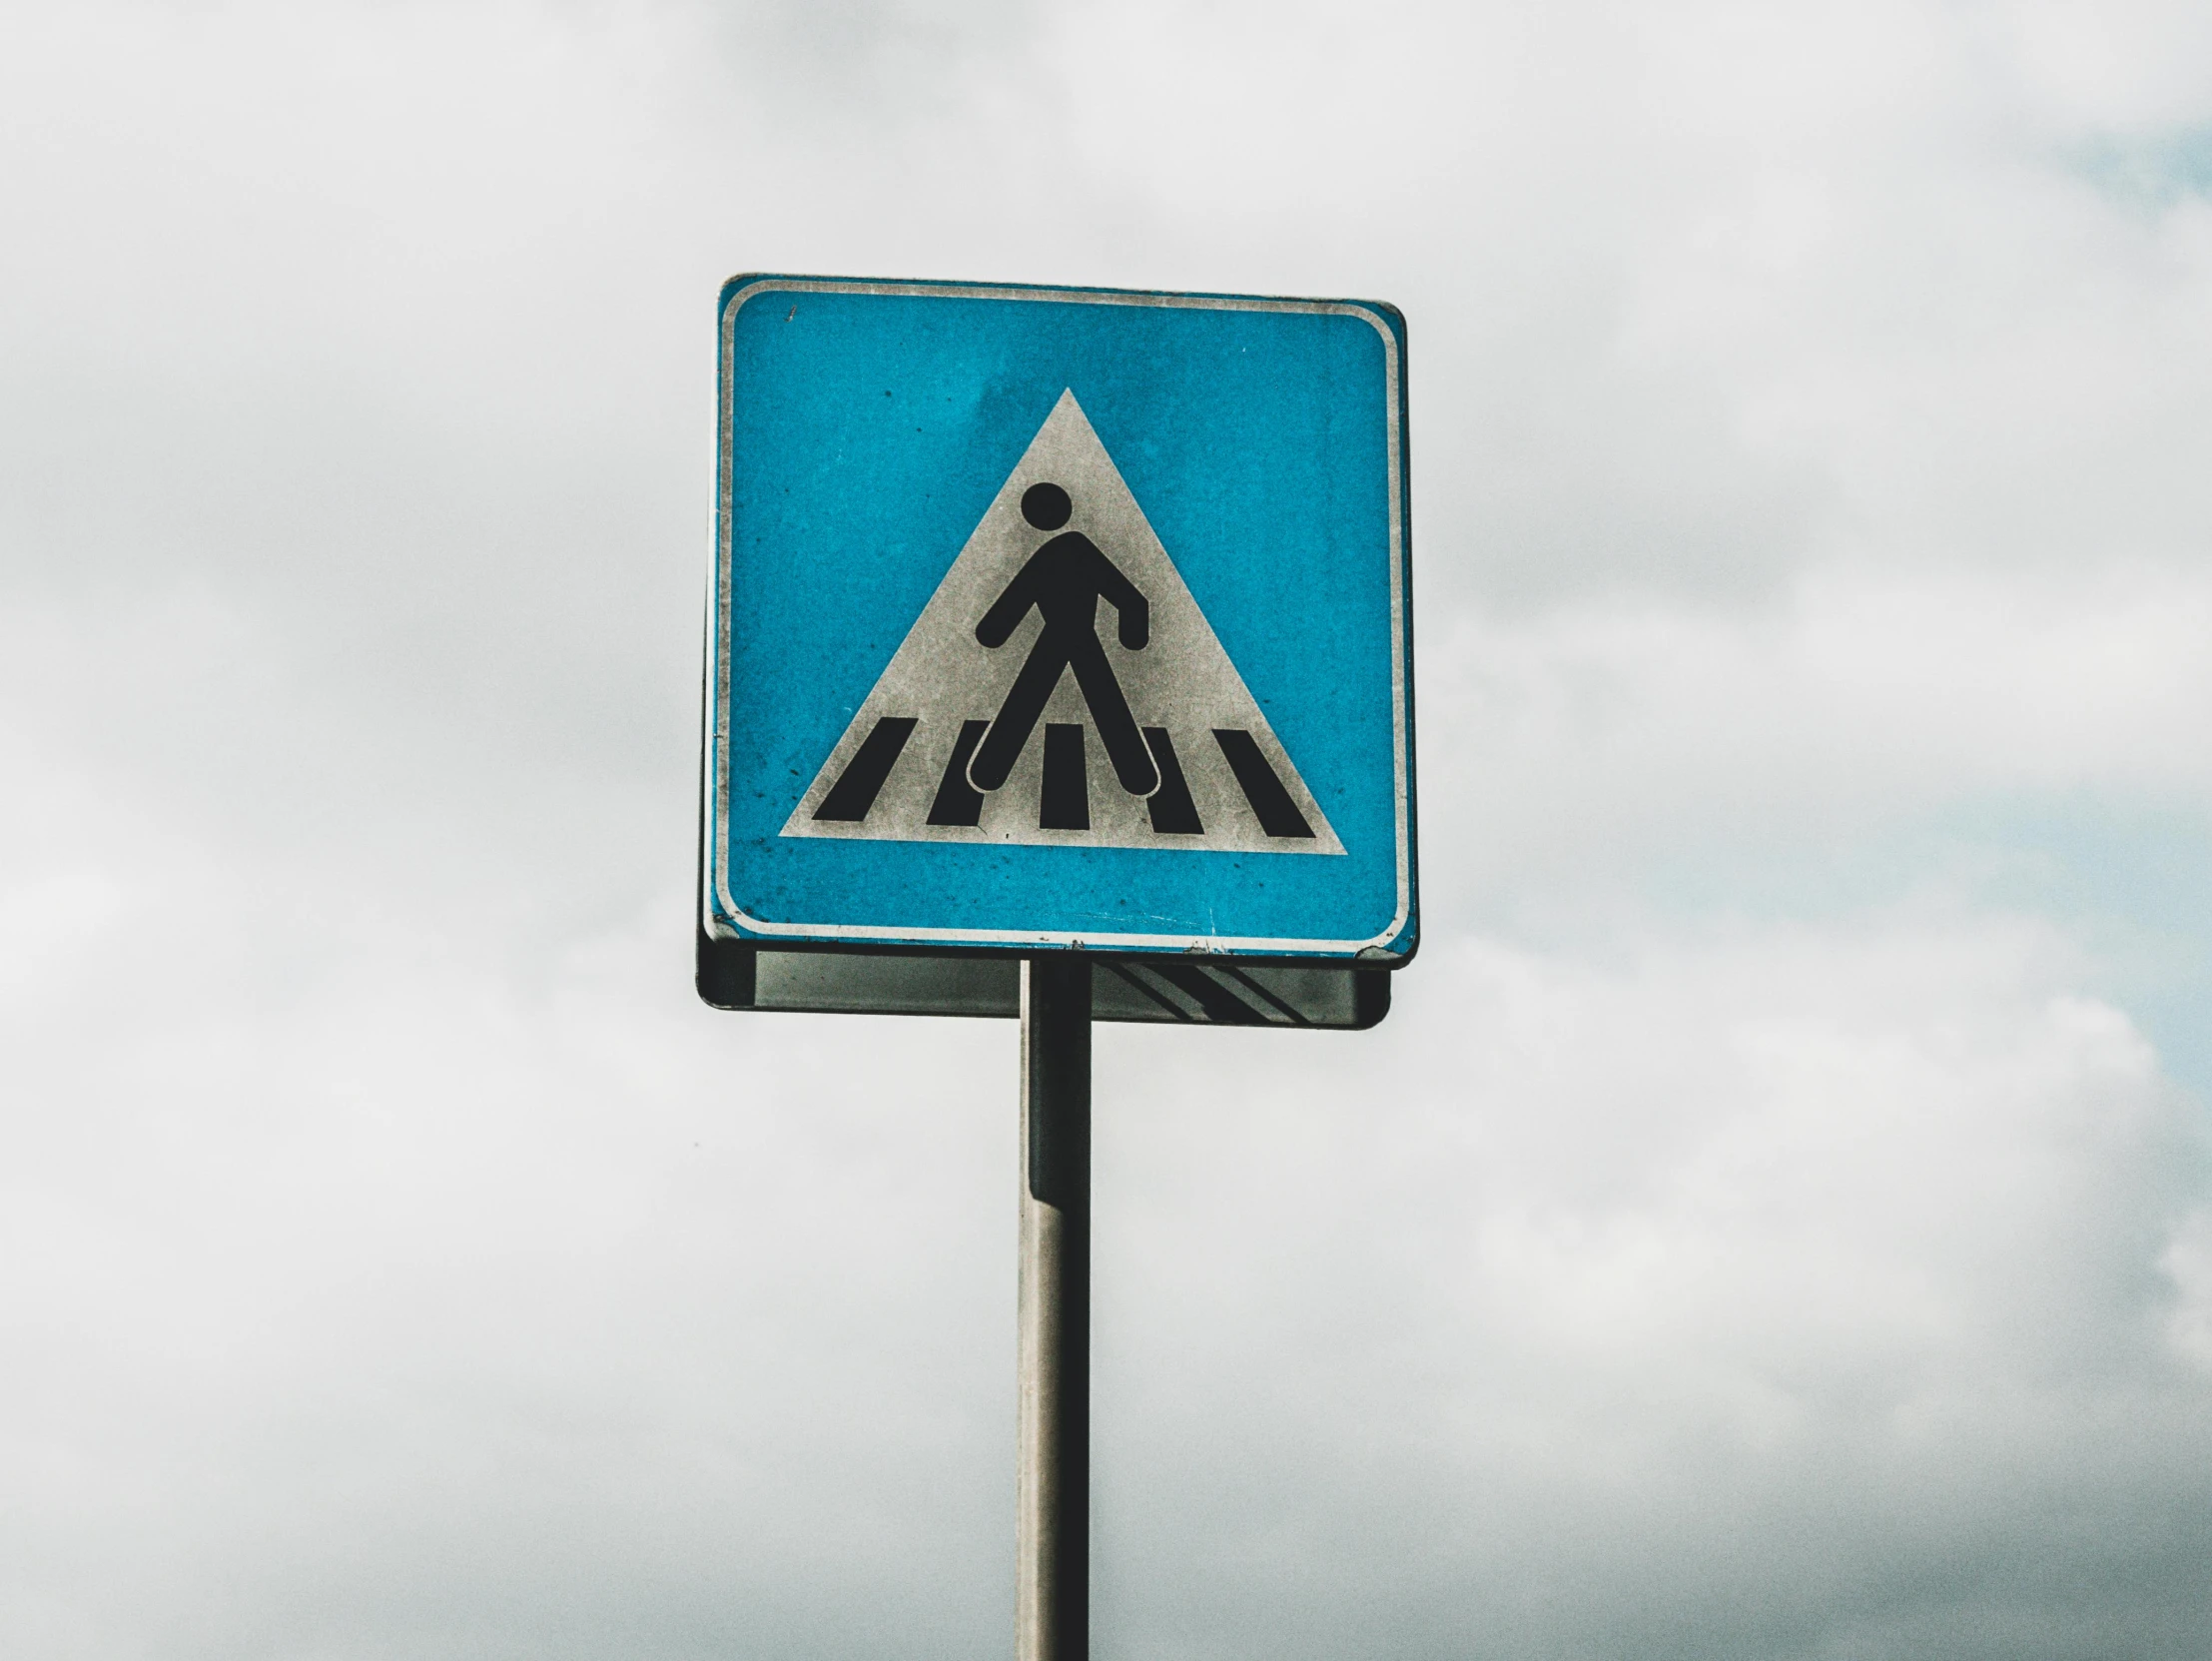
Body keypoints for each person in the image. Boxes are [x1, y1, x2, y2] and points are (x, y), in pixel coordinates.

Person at [967, 481, 1160, 797]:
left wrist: (993, 632)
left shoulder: (1057, 553)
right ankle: (1139, 776)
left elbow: (1012, 604)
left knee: (1028, 701)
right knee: (1104, 703)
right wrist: (1132, 636)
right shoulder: (1074, 550)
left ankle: (988, 771)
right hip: (1075, 637)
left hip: (1062, 637)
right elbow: (1131, 599)